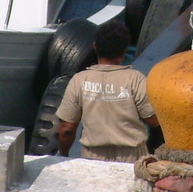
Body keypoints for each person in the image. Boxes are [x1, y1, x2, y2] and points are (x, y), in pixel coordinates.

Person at [55, 21, 160, 162]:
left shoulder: (79, 80)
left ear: (95, 47)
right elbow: (154, 120)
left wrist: (63, 154)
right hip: (132, 158)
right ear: (123, 52)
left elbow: (67, 129)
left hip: (93, 159)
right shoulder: (135, 79)